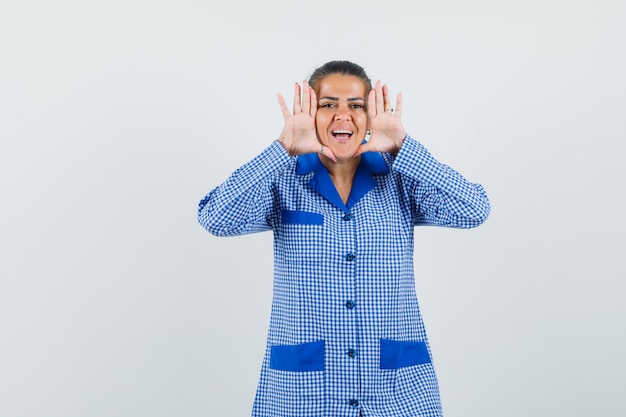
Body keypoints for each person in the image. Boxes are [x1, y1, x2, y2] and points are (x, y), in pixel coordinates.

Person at [198, 60, 490, 417]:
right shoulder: (283, 181)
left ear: (370, 115)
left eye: (355, 105)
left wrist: (403, 148)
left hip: (396, 392)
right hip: (305, 394)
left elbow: (475, 209)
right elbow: (215, 218)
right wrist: (282, 148)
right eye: (328, 104)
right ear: (310, 112)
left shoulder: (401, 179)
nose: (343, 115)